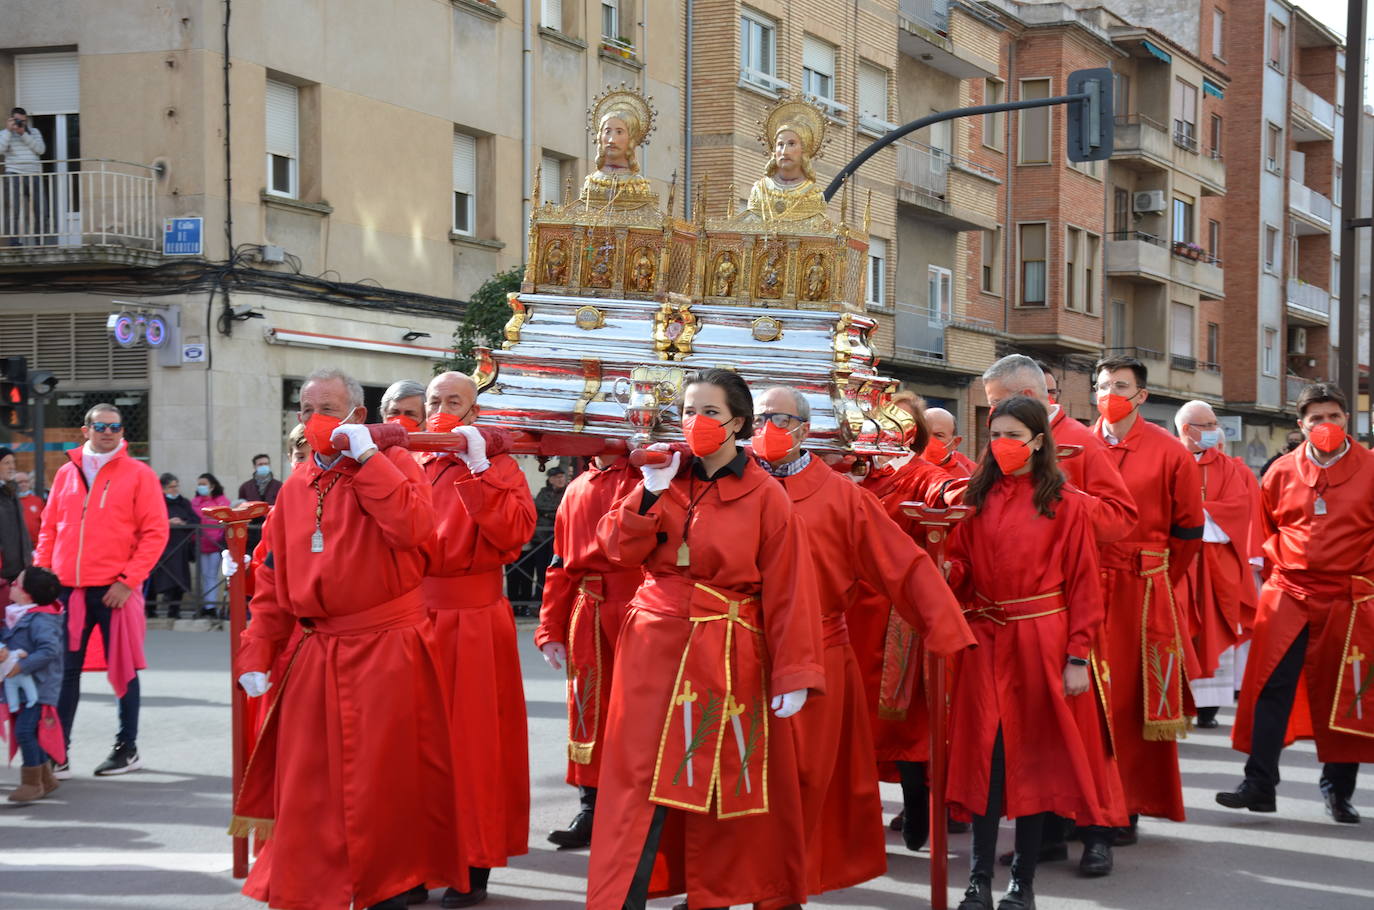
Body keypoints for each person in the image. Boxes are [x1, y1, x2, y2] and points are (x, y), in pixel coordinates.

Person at [588, 368, 824, 910]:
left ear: (738, 423)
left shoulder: (766, 495)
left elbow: (789, 589)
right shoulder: (663, 475)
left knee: (719, 778)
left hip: (727, 648)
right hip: (652, 650)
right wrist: (646, 497)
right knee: (637, 782)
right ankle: (622, 897)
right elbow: (617, 551)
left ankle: (715, 895)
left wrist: (795, 673)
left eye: (710, 412)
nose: (696, 422)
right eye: (689, 410)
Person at [233, 367, 464, 910]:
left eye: (330, 410)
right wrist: (257, 649)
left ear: (359, 417)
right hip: (318, 652)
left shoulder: (396, 464)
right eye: (308, 409)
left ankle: (393, 881)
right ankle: (318, 883)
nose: (317, 421)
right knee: (310, 784)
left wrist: (367, 460)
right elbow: (270, 584)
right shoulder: (294, 487)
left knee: (387, 781)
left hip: (387, 647)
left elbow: (414, 530)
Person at [751, 385, 974, 903]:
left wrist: (945, 626)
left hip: (817, 654)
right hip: (735, 646)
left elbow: (902, 562)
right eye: (758, 418)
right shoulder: (725, 483)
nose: (765, 429)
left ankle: (782, 890)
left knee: (802, 783)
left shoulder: (839, 493)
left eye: (777, 418)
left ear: (805, 428)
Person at [946, 396, 1120, 910]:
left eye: (1013, 435)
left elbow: (1085, 585)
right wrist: (946, 574)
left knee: (1033, 765)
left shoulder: (1064, 502)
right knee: (987, 762)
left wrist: (1078, 657)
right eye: (995, 434)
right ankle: (978, 879)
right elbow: (960, 566)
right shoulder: (972, 497)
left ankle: (1023, 882)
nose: (1002, 444)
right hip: (985, 644)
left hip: (1041, 644)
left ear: (1038, 441)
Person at [982, 354, 1133, 874]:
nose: (995, 416)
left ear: (1031, 394)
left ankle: (1099, 832)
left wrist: (1060, 500)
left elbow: (1120, 519)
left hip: (1073, 605)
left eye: (1001, 403)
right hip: (1020, 616)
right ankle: (1041, 835)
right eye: (992, 408)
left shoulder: (1081, 442)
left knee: (1084, 729)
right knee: (1028, 731)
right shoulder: (1004, 448)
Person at [1220, 382, 1374, 825]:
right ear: (1301, 425)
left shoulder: (1369, 468)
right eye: (1317, 419)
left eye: (1334, 417)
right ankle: (1258, 783)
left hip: (1348, 596)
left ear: (1347, 419)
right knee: (1271, 687)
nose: (1326, 426)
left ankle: (1338, 791)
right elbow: (1266, 528)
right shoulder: (1281, 471)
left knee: (1343, 696)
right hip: (1288, 591)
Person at [420, 371, 535, 908]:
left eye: (454, 402)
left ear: (474, 412)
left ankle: (474, 862)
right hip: (413, 616)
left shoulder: (502, 467)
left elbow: (513, 534)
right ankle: (414, 860)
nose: (443, 410)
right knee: (415, 745)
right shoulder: (408, 464)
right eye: (434, 401)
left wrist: (478, 470)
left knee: (473, 745)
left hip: (472, 615)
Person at [1091, 356, 1203, 837]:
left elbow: (1188, 533)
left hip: (1141, 590)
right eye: (1101, 385)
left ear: (1142, 397)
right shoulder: (1073, 446)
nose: (1109, 393)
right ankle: (1082, 804)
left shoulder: (1170, 452)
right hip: (1085, 587)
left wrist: (1154, 574)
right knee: (1085, 699)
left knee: (1132, 702)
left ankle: (1127, 804)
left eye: (1120, 385)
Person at [849, 390, 963, 849]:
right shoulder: (847, 472)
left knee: (905, 723)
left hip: (896, 617)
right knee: (846, 719)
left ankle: (917, 797)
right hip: (846, 610)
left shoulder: (916, 473)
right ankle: (854, 815)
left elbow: (946, 491)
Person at [35, 404, 167, 778]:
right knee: (64, 673)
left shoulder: (139, 474)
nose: (109, 431)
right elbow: (49, 528)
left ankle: (127, 747)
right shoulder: (65, 473)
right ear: (85, 430)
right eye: (101, 426)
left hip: (114, 591)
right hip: (67, 591)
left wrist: (127, 582)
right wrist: (44, 576)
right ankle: (57, 752)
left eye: (115, 426)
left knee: (123, 671)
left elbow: (155, 533)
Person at [536, 452, 643, 849]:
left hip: (640, 606)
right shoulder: (576, 487)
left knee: (642, 712)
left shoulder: (644, 474)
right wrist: (550, 628)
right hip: (589, 608)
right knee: (588, 711)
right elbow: (560, 564)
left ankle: (639, 812)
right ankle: (591, 808)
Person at [1172, 401, 1260, 728]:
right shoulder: (1169, 461)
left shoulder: (1228, 467)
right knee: (1177, 631)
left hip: (1215, 568)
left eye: (1214, 423)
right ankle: (1176, 702)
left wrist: (1193, 515)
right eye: (1207, 424)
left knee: (1213, 626)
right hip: (1178, 565)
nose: (1214, 430)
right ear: (1186, 430)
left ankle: (1207, 708)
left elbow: (1238, 509)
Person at [2, 567, 65, 802]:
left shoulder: (41, 618)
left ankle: (31, 782)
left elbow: (49, 650)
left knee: (25, 732)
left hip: (37, 688)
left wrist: (22, 666)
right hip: (21, 688)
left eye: (16, 584)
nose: (11, 586)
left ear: (27, 595)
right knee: (32, 733)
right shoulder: (19, 612)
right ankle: (46, 779)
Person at [745, 95, 830, 227]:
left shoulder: (812, 195)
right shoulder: (759, 190)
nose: (784, 151)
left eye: (791, 144)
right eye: (780, 144)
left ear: (804, 149)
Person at [148, 473, 198, 620]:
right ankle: (151, 610)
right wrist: (167, 522)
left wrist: (184, 523)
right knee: (155, 579)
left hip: (179, 547)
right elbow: (149, 520)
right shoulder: (156, 502)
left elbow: (195, 519)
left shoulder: (184, 502)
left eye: (176, 486)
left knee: (179, 580)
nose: (175, 490)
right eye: (171, 487)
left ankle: (174, 610)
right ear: (163, 489)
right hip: (161, 548)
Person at [1, 107, 47, 244]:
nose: (20, 124)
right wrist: (9, 131)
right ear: (11, 119)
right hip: (13, 174)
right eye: (17, 121)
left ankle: (41, 242)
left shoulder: (34, 132)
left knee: (41, 211)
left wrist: (23, 134)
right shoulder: (4, 133)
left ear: (26, 120)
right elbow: (1, 149)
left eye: (23, 121)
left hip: (34, 174)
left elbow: (41, 150)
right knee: (13, 211)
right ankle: (14, 242)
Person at [191, 473, 232, 616]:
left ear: (212, 486)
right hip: (200, 544)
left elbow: (226, 520)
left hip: (216, 544)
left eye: (204, 484)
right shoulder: (195, 502)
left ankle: (211, 606)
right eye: (199, 484)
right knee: (204, 575)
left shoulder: (222, 501)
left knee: (212, 575)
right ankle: (207, 605)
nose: (201, 487)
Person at [0, 447, 33, 604]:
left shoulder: (10, 491)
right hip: (3, 569)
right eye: (6, 463)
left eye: (13, 462)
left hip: (18, 568)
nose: (12, 467)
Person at [922, 407, 977, 477]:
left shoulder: (968, 477)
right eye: (923, 433)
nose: (928, 441)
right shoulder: (906, 467)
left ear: (955, 443)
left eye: (938, 435)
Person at [14, 471, 45, 547]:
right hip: (18, 547)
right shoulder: (11, 501)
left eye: (26, 481)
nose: (23, 484)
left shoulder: (37, 501)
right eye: (20, 482)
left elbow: (44, 523)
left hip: (36, 545)